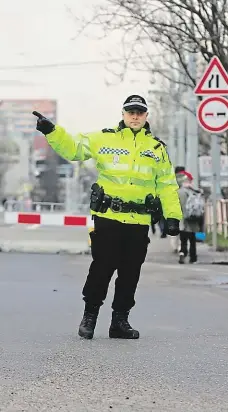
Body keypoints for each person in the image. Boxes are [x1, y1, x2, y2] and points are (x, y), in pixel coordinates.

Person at [33, 94, 182, 340]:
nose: (135, 116)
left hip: (139, 221)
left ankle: (119, 322)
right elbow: (73, 149)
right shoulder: (104, 138)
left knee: (130, 272)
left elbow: (167, 185)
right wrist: (51, 131)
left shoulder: (157, 148)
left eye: (140, 112)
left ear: (146, 116)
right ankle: (89, 316)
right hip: (109, 217)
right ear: (123, 114)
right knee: (102, 267)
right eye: (131, 111)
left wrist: (173, 216)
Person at [178, 171, 205, 264]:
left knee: (183, 240)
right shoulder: (193, 191)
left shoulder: (178, 192)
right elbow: (202, 196)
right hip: (192, 219)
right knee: (192, 240)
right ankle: (193, 258)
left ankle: (182, 253)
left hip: (182, 219)